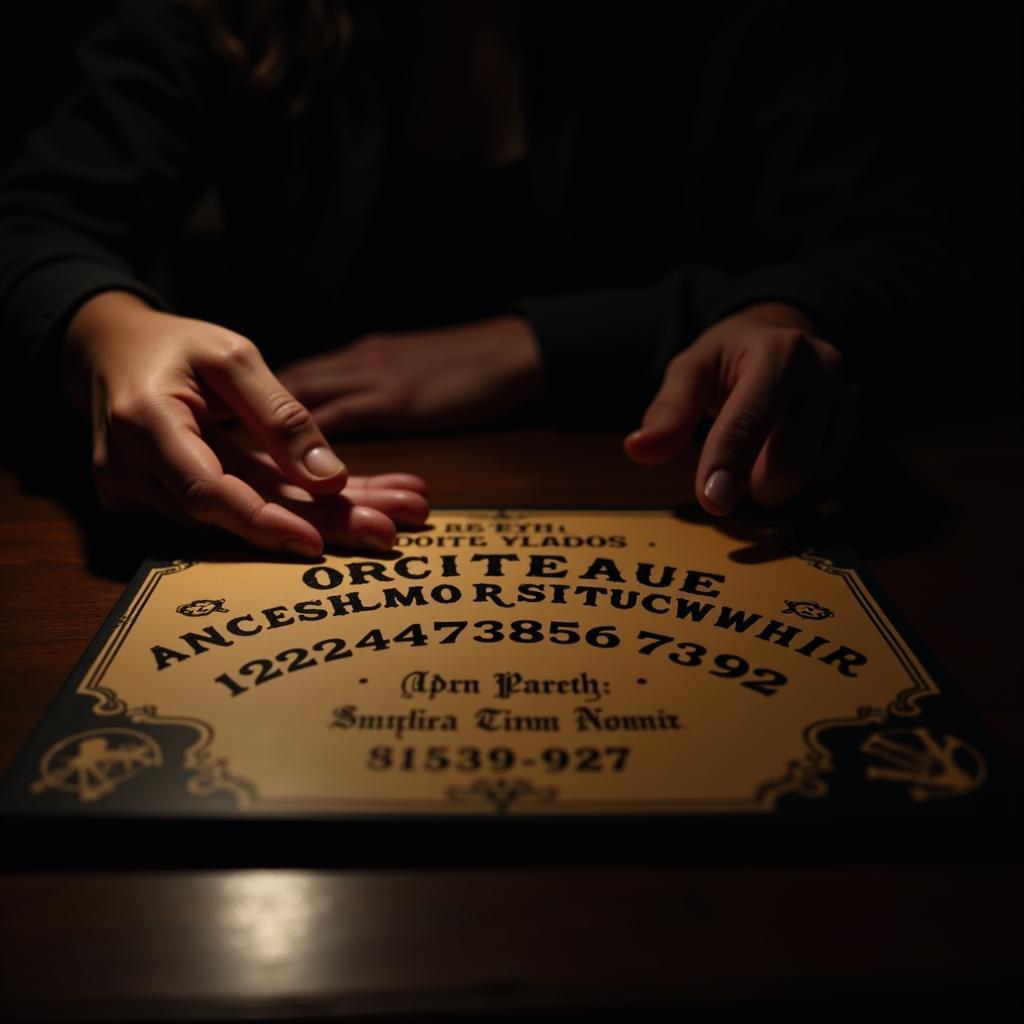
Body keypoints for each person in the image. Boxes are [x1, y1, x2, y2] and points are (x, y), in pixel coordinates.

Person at [0, 0, 962, 556]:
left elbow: (919, 247)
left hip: (685, 501)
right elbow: (33, 220)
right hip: (290, 513)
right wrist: (103, 329)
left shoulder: (732, 23)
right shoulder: (228, 15)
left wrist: (547, 343)